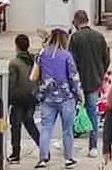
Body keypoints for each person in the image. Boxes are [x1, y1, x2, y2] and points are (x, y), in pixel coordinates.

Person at [33, 28, 83, 170]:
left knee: (46, 128)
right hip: (66, 97)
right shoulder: (66, 55)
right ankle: (68, 159)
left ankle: (42, 158)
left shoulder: (42, 54)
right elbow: (73, 77)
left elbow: (36, 75)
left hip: (47, 97)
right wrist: (78, 94)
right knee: (67, 130)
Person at [69, 10, 111, 157]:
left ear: (76, 21)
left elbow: (71, 62)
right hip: (95, 80)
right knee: (93, 112)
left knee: (74, 111)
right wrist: (101, 72)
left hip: (79, 80)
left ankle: (71, 140)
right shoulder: (99, 37)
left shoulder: (75, 38)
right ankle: (92, 146)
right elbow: (107, 57)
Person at [8, 33, 40, 163]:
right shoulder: (34, 60)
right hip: (32, 96)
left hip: (18, 98)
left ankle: (16, 153)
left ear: (16, 46)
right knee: (29, 122)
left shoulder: (14, 63)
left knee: (15, 125)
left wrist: (8, 100)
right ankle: (44, 149)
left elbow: (12, 83)